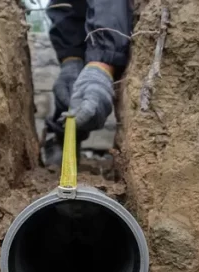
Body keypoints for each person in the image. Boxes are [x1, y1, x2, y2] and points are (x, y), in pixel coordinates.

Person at [41, 0, 133, 168]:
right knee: (71, 94)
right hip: (83, 34)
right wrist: (71, 58)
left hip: (121, 27)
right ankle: (64, 138)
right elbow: (65, 5)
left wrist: (102, 64)